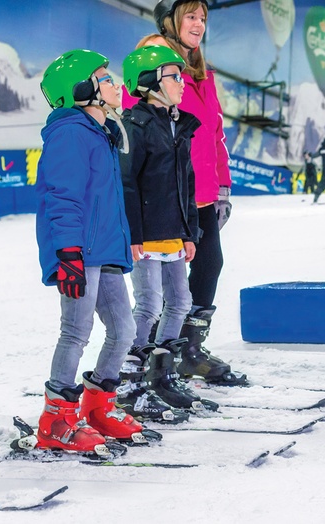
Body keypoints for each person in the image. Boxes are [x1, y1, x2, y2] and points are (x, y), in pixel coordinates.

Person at [130, 0, 246, 386]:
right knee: (164, 283)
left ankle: (188, 349)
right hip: (167, 193)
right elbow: (140, 127)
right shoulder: (153, 66)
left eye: (202, 18)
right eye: (190, 17)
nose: (198, 25)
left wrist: (223, 186)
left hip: (203, 193)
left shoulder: (201, 73)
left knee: (209, 266)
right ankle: (152, 356)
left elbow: (215, 134)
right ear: (169, 23)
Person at [35, 49, 145, 454]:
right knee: (76, 332)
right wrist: (68, 252)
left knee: (124, 331)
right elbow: (62, 197)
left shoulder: (101, 133)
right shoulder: (70, 133)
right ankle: (56, 419)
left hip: (105, 251)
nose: (116, 85)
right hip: (79, 253)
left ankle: (98, 407)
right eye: (106, 78)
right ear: (83, 90)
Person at [120, 45, 207, 418]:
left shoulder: (179, 127)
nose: (182, 83)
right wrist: (134, 237)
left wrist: (191, 233)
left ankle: (162, 373)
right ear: (150, 84)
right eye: (174, 77)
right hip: (147, 236)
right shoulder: (134, 126)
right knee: (149, 304)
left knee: (181, 303)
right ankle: (130, 377)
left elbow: (186, 185)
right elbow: (127, 184)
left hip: (174, 233)